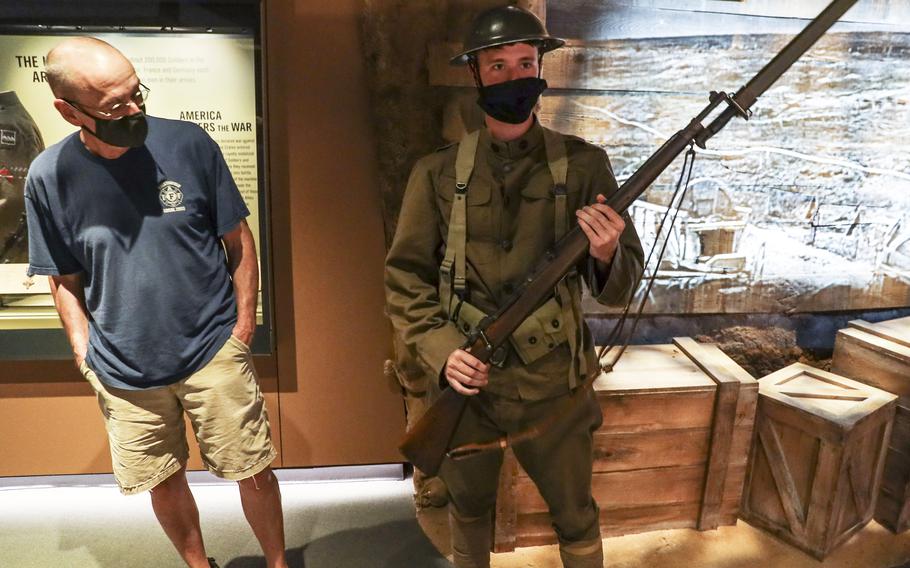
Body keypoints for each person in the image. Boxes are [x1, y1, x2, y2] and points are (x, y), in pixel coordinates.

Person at [385, 5, 645, 568]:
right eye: (497, 66)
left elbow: (620, 286)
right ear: (475, 74)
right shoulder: (435, 173)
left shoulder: (584, 165)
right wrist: (442, 352)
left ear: (541, 68)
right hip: (466, 385)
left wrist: (604, 253)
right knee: (469, 509)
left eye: (525, 63)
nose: (513, 77)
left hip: (553, 386)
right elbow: (405, 279)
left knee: (576, 516)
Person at [24, 37, 287, 568]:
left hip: (212, 347)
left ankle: (279, 564)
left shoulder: (189, 145)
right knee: (161, 479)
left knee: (251, 466)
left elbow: (237, 239)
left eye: (135, 93)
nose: (134, 110)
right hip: (122, 366)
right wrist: (83, 352)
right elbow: (62, 275)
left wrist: (242, 328)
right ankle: (197, 564)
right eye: (116, 105)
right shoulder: (48, 177)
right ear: (68, 110)